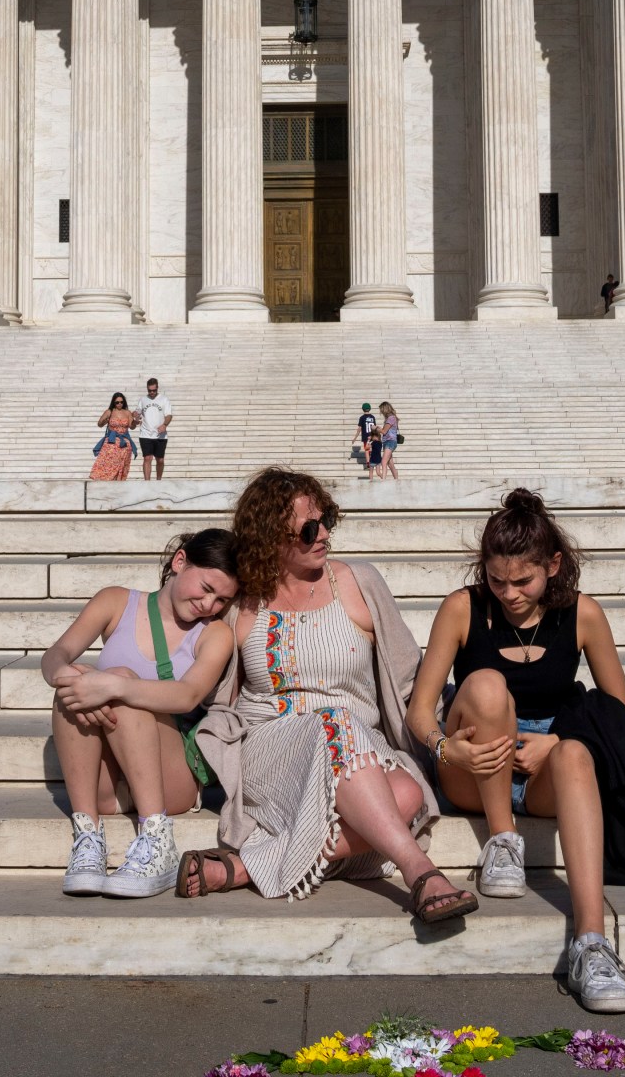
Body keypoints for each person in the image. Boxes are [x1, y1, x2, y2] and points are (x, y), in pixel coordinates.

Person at [176, 468, 478, 926]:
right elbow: (212, 690)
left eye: (328, 518)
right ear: (271, 539)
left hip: (358, 740)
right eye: (309, 529)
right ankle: (421, 872)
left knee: (408, 794)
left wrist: (440, 736)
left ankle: (245, 867)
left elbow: (406, 679)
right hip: (272, 747)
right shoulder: (244, 604)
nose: (326, 535)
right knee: (339, 731)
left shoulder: (359, 583)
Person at [407, 489, 625, 1012]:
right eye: (496, 579)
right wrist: (445, 748)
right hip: (474, 764)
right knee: (486, 684)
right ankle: (503, 842)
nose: (508, 593)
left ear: (553, 565)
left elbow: (618, 711)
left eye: (522, 581)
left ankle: (591, 944)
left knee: (577, 754)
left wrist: (555, 742)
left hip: (543, 770)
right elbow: (419, 710)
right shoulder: (462, 607)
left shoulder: (584, 615)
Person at [41, 530, 240, 897]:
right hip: (110, 787)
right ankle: (88, 836)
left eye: (222, 599)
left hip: (171, 778)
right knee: (73, 688)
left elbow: (187, 696)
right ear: (180, 562)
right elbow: (55, 656)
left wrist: (113, 686)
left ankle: (157, 836)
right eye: (206, 587)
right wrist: (70, 679)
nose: (209, 604)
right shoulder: (115, 602)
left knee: (117, 681)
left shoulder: (215, 634)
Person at [132, 377, 174, 480]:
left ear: (157, 388)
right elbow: (137, 412)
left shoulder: (164, 399)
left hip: (160, 435)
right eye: (149, 390)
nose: (151, 392)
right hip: (145, 434)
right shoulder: (143, 399)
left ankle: (158, 480)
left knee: (160, 460)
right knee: (147, 458)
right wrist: (136, 416)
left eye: (154, 390)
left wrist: (164, 425)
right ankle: (147, 483)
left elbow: (169, 415)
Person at [91, 392, 136, 480]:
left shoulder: (127, 413)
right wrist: (105, 421)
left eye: (121, 402)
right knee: (109, 464)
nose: (119, 404)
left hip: (124, 443)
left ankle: (119, 480)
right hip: (112, 442)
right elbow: (99, 424)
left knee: (121, 464)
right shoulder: (109, 412)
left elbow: (132, 426)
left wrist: (135, 421)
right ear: (113, 402)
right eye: (117, 402)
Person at [355, 402, 382, 478]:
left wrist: (355, 437)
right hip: (373, 435)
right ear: (370, 409)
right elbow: (374, 427)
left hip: (366, 436)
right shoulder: (372, 417)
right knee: (373, 449)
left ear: (363, 409)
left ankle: (368, 463)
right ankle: (375, 461)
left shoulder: (362, 418)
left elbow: (360, 428)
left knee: (367, 450)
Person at [376, 401, 403, 479]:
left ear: (385, 409)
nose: (380, 412)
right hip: (388, 441)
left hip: (390, 442)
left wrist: (376, 428)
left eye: (381, 410)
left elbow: (384, 431)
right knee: (390, 464)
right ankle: (396, 480)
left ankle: (383, 480)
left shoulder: (391, 418)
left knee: (383, 462)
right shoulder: (391, 418)